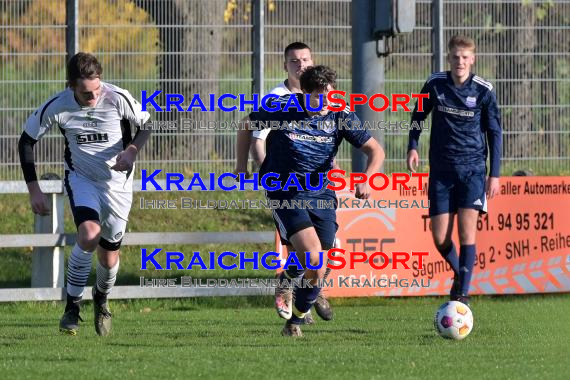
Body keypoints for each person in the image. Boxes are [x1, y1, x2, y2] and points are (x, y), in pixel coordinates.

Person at [235, 65, 385, 336]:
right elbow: (246, 125)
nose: (324, 101)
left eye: (328, 94)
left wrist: (367, 178)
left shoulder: (340, 114)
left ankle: (293, 313)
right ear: (303, 93)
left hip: (321, 193)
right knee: (314, 256)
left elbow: (375, 150)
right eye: (317, 96)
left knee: (318, 267)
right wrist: (239, 166)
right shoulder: (283, 108)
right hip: (284, 189)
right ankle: (295, 318)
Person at [18, 52, 151, 336]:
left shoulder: (118, 97)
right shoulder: (58, 105)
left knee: (109, 258)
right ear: (71, 86)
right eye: (85, 92)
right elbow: (27, 141)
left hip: (118, 185)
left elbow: (147, 125)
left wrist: (131, 151)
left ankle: (101, 300)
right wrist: (34, 190)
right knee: (88, 235)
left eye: (97, 89)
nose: (93, 97)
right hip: (82, 180)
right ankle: (72, 308)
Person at [407, 35, 502, 306]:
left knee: (466, 232)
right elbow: (417, 116)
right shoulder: (435, 84)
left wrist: (494, 174)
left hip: (472, 171)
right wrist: (412, 147)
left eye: (465, 57)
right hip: (441, 171)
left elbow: (495, 133)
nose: (460, 61)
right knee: (440, 238)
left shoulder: (484, 90)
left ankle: (463, 292)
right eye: (455, 57)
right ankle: (459, 273)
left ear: (473, 59)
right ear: (448, 58)